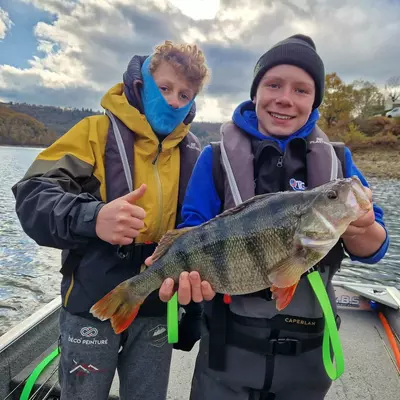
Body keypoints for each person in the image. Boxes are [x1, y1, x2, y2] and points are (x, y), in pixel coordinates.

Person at [156, 34, 389, 400]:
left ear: (314, 101)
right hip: (226, 352)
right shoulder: (215, 159)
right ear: (256, 91)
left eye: (301, 90)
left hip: (309, 352)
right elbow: (192, 230)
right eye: (274, 84)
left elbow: (374, 248)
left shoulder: (339, 164)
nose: (285, 98)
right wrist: (179, 274)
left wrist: (362, 226)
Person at [12, 40, 211, 400]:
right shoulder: (94, 132)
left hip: (156, 307)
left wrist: (192, 311)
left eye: (185, 94)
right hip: (91, 302)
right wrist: (94, 217)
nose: (173, 100)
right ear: (141, 84)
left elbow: (199, 240)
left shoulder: (195, 154)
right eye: (164, 88)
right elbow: (32, 195)